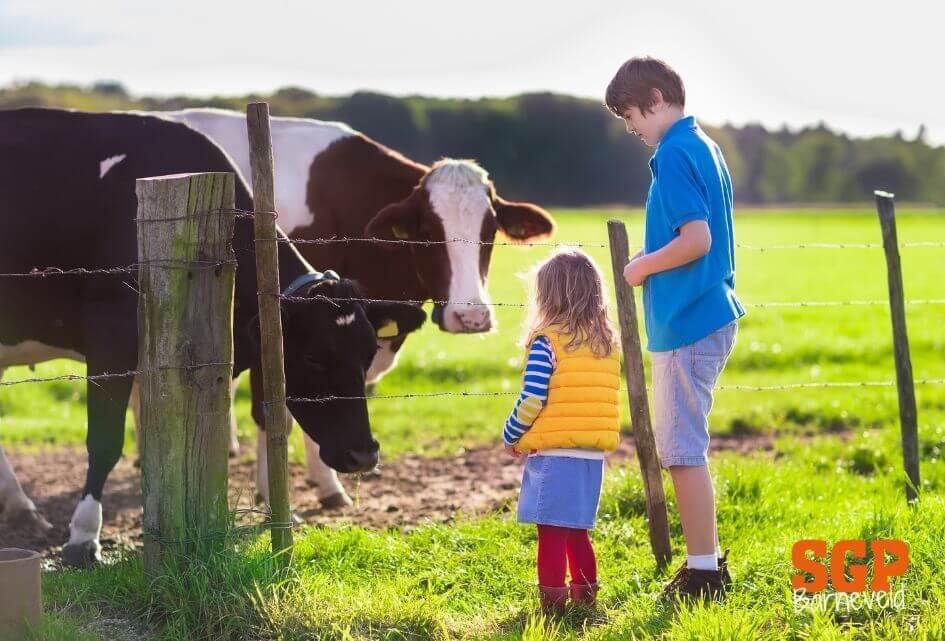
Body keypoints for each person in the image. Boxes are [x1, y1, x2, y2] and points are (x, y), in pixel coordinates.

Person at [605, 56, 746, 600]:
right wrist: (651, 254)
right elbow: (687, 234)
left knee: (683, 451)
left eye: (631, 114)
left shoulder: (674, 152)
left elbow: (697, 241)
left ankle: (705, 574)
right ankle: (704, 565)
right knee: (683, 448)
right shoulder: (703, 145)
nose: (630, 127)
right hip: (703, 312)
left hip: (689, 319)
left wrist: (639, 267)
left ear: (657, 98)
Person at [503, 248, 621, 614]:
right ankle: (585, 598)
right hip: (591, 456)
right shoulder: (605, 342)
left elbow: (533, 397)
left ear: (547, 297)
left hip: (555, 455)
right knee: (577, 531)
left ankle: (551, 605)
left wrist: (512, 434)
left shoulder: (548, 341)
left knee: (551, 533)